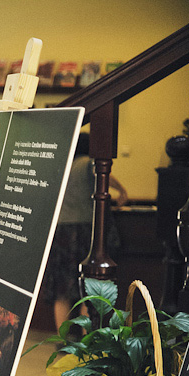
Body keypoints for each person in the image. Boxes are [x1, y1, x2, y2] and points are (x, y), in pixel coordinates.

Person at [42, 132, 128, 328]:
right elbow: (104, 176)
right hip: (83, 230)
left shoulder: (62, 166)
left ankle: (62, 340)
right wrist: (122, 190)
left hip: (60, 231)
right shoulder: (88, 163)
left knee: (62, 291)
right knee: (87, 289)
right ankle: (85, 339)